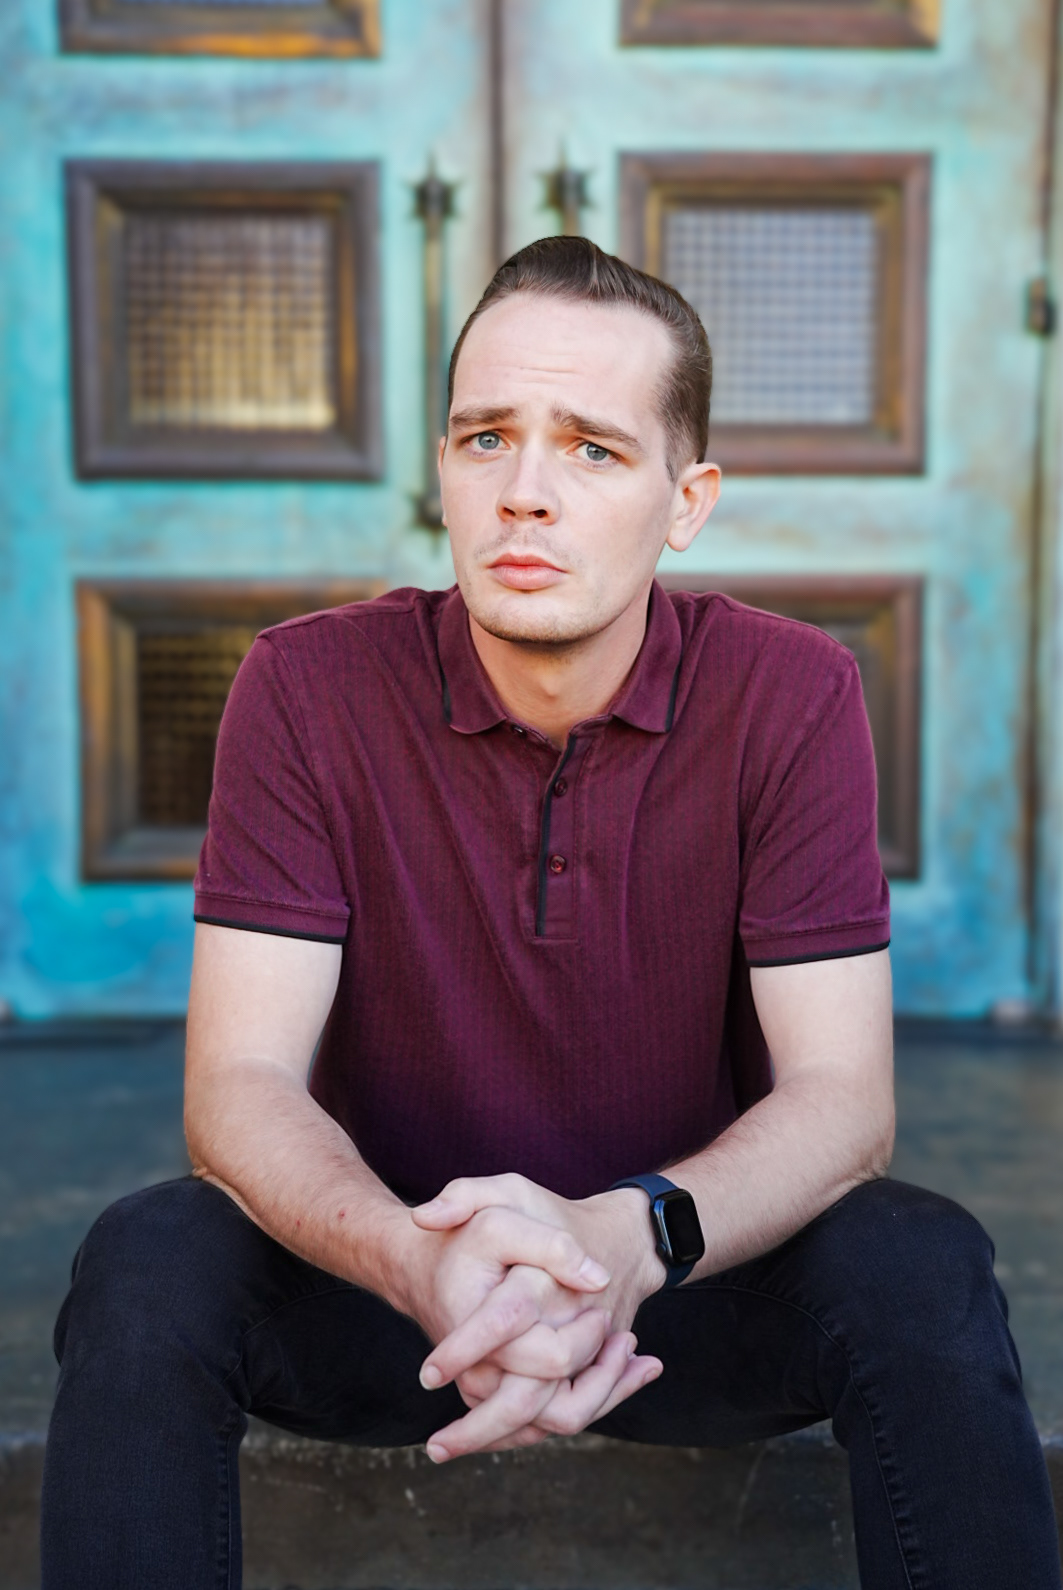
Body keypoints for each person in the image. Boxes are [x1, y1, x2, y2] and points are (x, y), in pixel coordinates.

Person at [41, 237, 1060, 1590]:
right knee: (149, 1260)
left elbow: (844, 1102)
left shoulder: (793, 693)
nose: (525, 490)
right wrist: (412, 1259)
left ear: (686, 500)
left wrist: (625, 1239)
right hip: (399, 1294)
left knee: (921, 1264)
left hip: (679, 1287)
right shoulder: (304, 687)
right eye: (487, 438)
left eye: (592, 448)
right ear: (443, 469)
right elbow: (238, 1087)